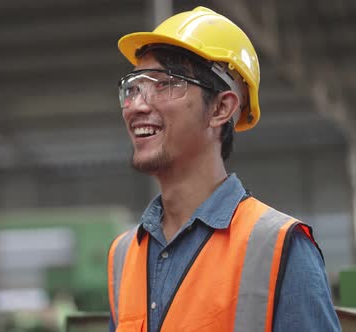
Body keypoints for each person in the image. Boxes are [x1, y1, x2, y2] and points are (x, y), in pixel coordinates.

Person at [107, 6, 340, 332]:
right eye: (133, 88)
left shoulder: (277, 247)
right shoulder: (123, 255)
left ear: (220, 108)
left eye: (164, 84)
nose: (138, 105)